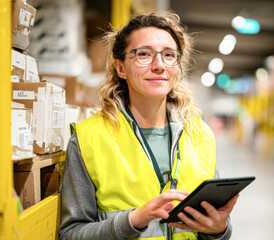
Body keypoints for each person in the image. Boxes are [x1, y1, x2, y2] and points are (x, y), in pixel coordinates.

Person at [58, 12, 239, 240]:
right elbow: (70, 234)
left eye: (169, 55)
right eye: (143, 54)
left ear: (177, 67)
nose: (159, 65)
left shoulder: (201, 135)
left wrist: (220, 230)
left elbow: (215, 227)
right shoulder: (88, 139)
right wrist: (132, 221)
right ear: (120, 68)